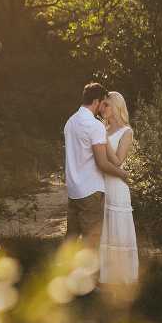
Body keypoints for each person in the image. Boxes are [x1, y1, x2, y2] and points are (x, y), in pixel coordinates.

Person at [63, 83, 128, 250]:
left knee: (70, 240)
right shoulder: (95, 125)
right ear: (96, 101)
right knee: (91, 242)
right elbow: (102, 163)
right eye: (103, 103)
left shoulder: (70, 122)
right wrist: (122, 174)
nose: (103, 107)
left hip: (73, 190)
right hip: (90, 191)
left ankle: (61, 272)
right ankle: (90, 277)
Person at [98, 91, 138, 285]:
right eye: (103, 105)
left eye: (106, 105)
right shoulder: (102, 128)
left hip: (116, 186)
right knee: (104, 230)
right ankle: (104, 277)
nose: (102, 108)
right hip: (101, 183)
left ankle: (122, 279)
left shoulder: (126, 131)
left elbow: (119, 160)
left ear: (115, 107)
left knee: (118, 232)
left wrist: (103, 138)